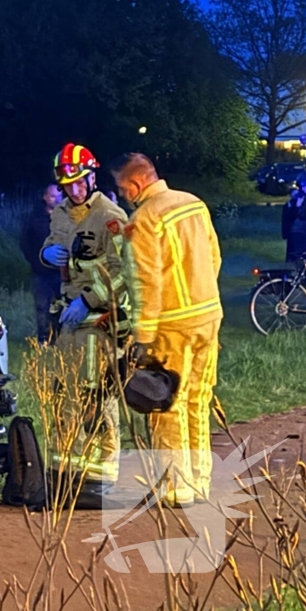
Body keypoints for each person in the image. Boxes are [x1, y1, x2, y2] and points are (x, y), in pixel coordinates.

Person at [111, 152, 222, 507]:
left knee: (166, 404)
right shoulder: (194, 204)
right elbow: (214, 257)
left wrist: (143, 337)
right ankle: (201, 479)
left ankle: (176, 486)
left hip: (172, 324)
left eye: (122, 187)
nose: (123, 194)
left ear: (136, 183)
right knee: (198, 400)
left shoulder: (144, 218)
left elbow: (145, 282)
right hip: (208, 315)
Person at [40, 143, 130, 486]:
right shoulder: (61, 212)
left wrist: (90, 300)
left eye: (79, 183)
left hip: (101, 321)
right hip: (69, 320)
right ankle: (70, 470)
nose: (74, 190)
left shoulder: (111, 217)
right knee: (67, 392)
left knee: (98, 394)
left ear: (92, 178)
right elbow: (50, 241)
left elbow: (126, 273)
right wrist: (47, 253)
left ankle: (103, 473)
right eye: (67, 185)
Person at [20, 184, 63, 344]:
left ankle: (58, 339)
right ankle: (43, 339)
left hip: (61, 271)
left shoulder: (66, 218)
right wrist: (35, 261)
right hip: (40, 272)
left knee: (61, 305)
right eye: (53, 196)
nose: (57, 199)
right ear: (45, 197)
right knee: (42, 307)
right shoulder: (34, 218)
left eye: (59, 196)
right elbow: (25, 242)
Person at [282, 175, 306, 262]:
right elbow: (289, 216)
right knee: (294, 252)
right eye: (304, 186)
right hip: (296, 229)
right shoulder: (296, 199)